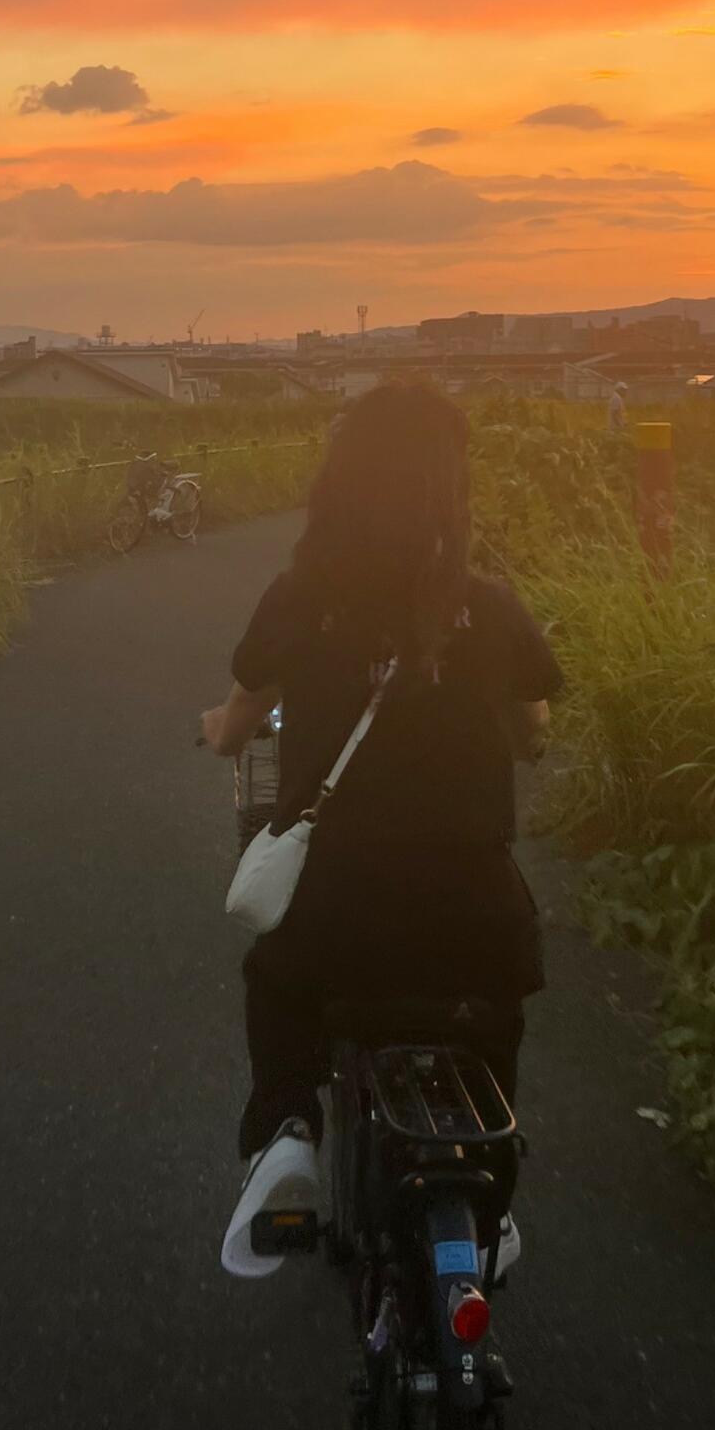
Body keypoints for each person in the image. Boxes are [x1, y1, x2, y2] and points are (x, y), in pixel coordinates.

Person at [199, 379, 561, 1279]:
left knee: (274, 981)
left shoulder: (302, 597)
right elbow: (536, 734)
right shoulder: (486, 605)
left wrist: (213, 729)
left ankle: (286, 1133)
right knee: (490, 1016)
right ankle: (487, 1190)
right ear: (449, 488)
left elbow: (234, 726)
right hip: (470, 917)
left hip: (338, 915)